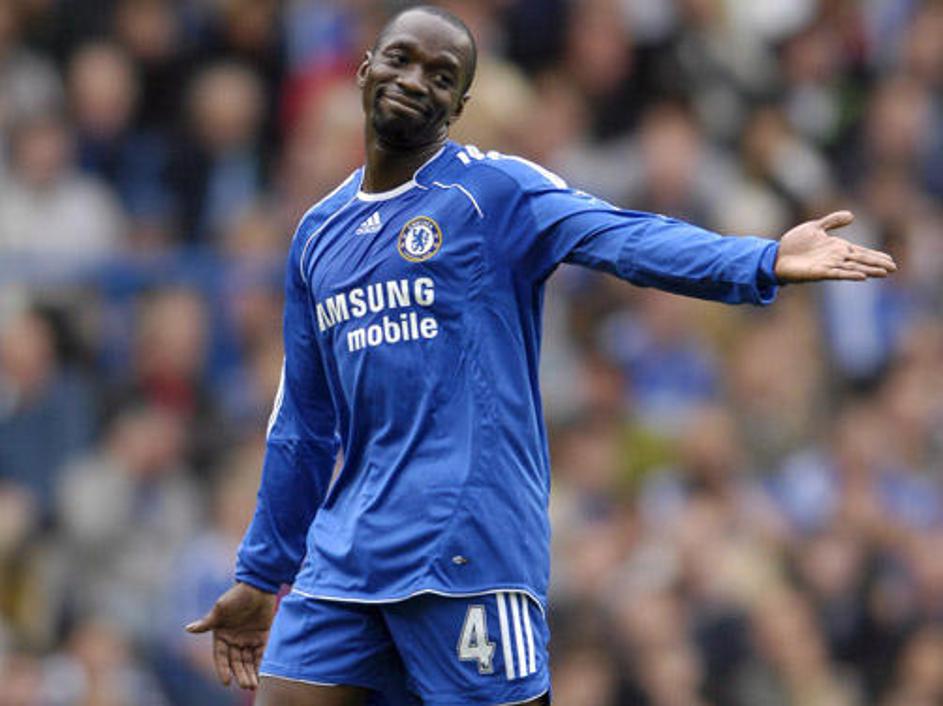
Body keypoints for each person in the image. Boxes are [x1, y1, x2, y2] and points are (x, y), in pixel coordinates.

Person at [186, 6, 897, 706]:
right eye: (400, 59)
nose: (415, 80)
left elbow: (622, 236)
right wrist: (260, 576)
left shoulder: (492, 192)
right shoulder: (318, 235)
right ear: (365, 68)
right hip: (348, 560)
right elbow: (303, 425)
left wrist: (762, 260)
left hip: (467, 555)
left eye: (441, 75)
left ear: (458, 106)